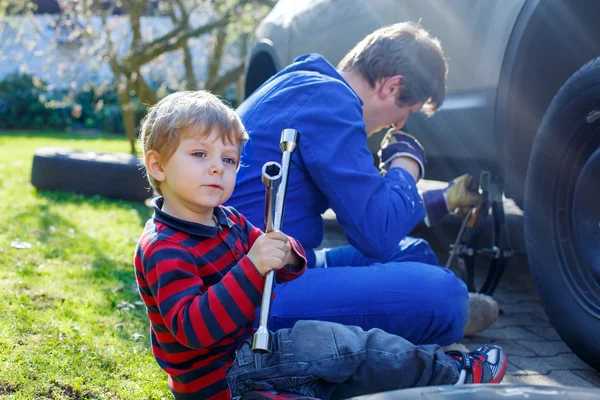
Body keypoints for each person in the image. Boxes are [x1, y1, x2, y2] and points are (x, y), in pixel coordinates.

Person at [134, 90, 507, 399]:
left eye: (228, 159)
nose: (218, 167)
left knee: (340, 366)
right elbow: (193, 329)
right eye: (200, 154)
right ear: (158, 166)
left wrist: (286, 255)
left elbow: (284, 262)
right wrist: (252, 267)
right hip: (220, 376)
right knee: (344, 345)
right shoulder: (164, 247)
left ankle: (438, 372)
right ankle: (449, 374)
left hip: (251, 354)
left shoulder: (227, 219)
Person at [227, 22, 497, 345]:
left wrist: (441, 197)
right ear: (391, 87)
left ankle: (415, 319)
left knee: (417, 253)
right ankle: (433, 318)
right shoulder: (332, 104)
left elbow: (364, 202)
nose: (398, 124)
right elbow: (376, 234)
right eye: (405, 110)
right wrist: (407, 164)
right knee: (448, 296)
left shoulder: (306, 79)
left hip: (280, 263)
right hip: (250, 292)